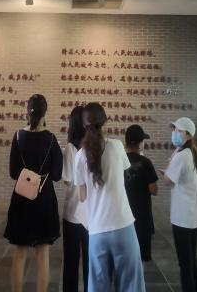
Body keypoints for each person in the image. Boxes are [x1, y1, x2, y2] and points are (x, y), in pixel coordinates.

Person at [74, 103, 145, 292]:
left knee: (98, 286)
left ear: (84, 125)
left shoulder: (80, 156)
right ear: (104, 122)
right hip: (123, 225)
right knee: (131, 284)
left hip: (97, 230)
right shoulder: (116, 146)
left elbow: (82, 196)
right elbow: (124, 172)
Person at [4, 94, 63, 292]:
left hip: (21, 198)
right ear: (45, 112)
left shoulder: (18, 136)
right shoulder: (51, 139)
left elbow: (13, 173)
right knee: (42, 253)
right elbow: (57, 175)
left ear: (26, 111)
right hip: (44, 199)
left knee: (19, 252)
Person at [163, 117, 197, 292]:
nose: (174, 133)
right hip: (193, 216)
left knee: (184, 262)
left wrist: (171, 161)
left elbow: (167, 180)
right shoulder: (194, 154)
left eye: (178, 130)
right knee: (191, 258)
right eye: (174, 130)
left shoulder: (182, 156)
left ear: (188, 135)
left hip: (182, 218)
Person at [124, 124, 158, 269]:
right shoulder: (146, 162)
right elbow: (154, 190)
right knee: (141, 255)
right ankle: (138, 281)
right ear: (140, 143)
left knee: (125, 254)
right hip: (142, 216)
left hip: (123, 214)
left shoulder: (119, 161)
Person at [62, 106, 88, 292]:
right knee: (90, 261)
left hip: (73, 212)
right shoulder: (96, 146)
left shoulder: (71, 148)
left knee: (71, 261)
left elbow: (67, 179)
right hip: (91, 214)